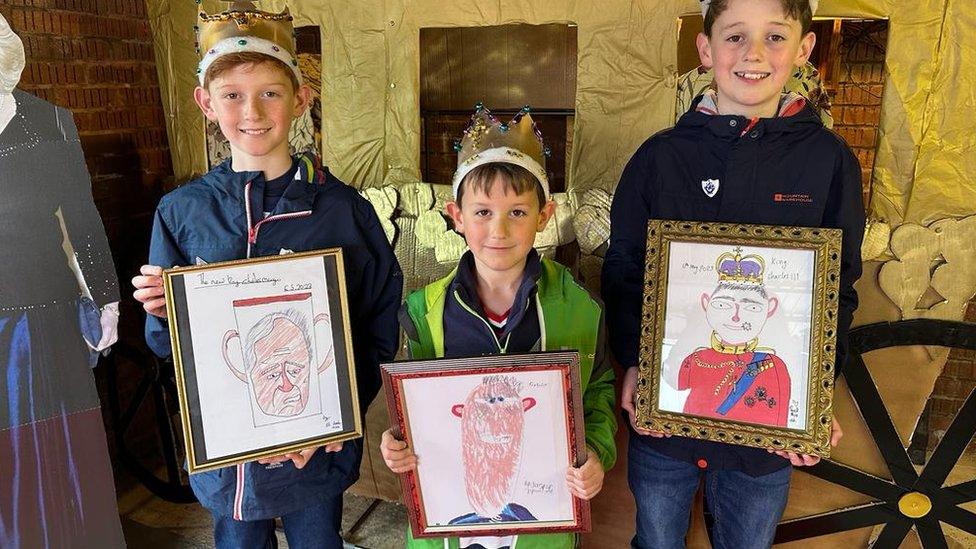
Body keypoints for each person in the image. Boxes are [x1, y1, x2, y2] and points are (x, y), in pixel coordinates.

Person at [130, 3, 401, 547]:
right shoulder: (181, 213)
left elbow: (377, 327)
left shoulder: (343, 212)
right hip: (228, 459)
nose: (251, 110)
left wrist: (333, 416)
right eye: (231, 94)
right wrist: (163, 312)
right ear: (205, 103)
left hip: (314, 452)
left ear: (301, 98)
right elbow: (167, 349)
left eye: (270, 93)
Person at [601, 0, 864, 547]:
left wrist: (815, 395)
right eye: (734, 36)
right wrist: (631, 361)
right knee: (655, 539)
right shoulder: (659, 158)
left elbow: (837, 288)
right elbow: (626, 268)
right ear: (705, 49)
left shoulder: (829, 161)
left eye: (775, 37)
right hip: (667, 410)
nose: (753, 54)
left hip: (765, 427)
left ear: (803, 49)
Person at [379, 104, 617, 549]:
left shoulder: (581, 310)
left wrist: (597, 456)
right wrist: (397, 442)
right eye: (483, 212)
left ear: (544, 216)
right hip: (446, 529)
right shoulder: (422, 312)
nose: (499, 230)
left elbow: (599, 390)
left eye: (518, 213)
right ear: (456, 215)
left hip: (541, 528)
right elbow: (413, 409)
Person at [0, 14, 124, 548]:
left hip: (41, 324)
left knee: (57, 459)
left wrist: (106, 297)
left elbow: (81, 215)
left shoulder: (49, 123)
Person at [678, 248, 791, 427]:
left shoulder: (773, 365)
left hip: (752, 452)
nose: (736, 317)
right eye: (723, 304)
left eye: (751, 307)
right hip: (686, 443)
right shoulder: (692, 360)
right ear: (706, 303)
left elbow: (779, 425)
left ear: (770, 308)